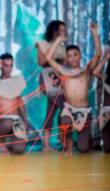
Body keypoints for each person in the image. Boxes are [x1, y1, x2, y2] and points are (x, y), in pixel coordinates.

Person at [45, 22, 102, 154]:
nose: (73, 58)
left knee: (83, 149)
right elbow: (48, 58)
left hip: (84, 111)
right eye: (69, 56)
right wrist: (58, 40)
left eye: (75, 54)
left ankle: (87, 141)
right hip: (69, 110)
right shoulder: (64, 72)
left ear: (80, 55)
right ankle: (68, 144)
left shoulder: (86, 71)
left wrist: (94, 33)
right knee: (64, 122)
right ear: (67, 58)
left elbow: (98, 54)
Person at [36, 20, 67, 152]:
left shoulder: (62, 46)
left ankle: (47, 145)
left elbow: (64, 65)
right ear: (54, 30)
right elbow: (41, 62)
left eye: (64, 30)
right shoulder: (42, 44)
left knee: (51, 110)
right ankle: (62, 140)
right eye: (61, 30)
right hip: (47, 76)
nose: (63, 32)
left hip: (59, 78)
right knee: (64, 107)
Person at [0, 54, 28, 154]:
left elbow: (20, 102)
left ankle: (11, 143)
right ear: (1, 66)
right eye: (6, 65)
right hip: (2, 120)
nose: (8, 68)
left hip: (16, 120)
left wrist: (25, 121)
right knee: (8, 123)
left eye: (11, 65)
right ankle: (1, 141)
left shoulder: (17, 80)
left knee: (19, 150)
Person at [93, 50, 110, 153]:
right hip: (106, 118)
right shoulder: (107, 78)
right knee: (108, 149)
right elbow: (95, 72)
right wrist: (106, 58)